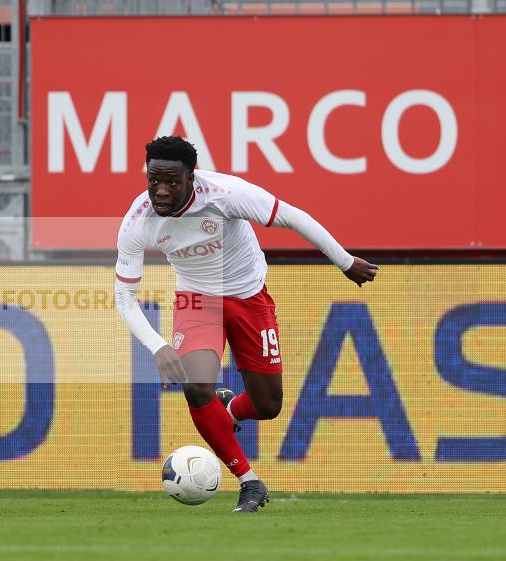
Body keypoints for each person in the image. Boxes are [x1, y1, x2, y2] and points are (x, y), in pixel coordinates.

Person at [115, 136, 378, 513]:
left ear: (191, 178)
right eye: (153, 180)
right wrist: (158, 346)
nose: (160, 190)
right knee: (196, 386)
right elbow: (124, 296)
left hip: (249, 297)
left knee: (268, 405)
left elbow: (292, 216)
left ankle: (230, 410)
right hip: (197, 302)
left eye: (171, 181)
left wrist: (345, 261)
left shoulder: (225, 194)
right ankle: (249, 481)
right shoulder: (139, 219)